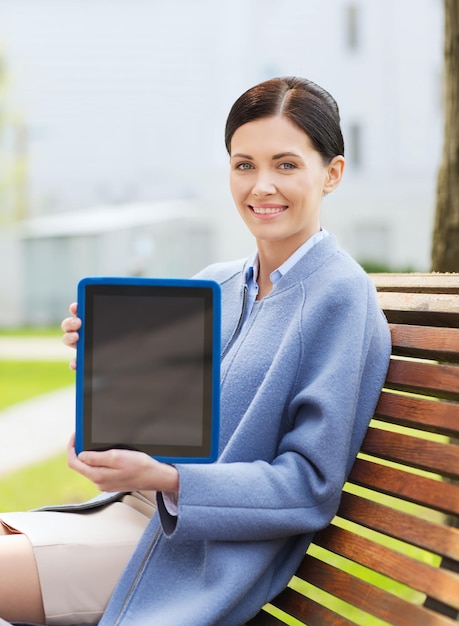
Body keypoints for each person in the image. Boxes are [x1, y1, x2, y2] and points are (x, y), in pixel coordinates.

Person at [0, 76, 391, 626]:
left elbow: (308, 487)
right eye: (243, 164)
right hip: (136, 518)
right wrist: (106, 368)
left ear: (332, 173)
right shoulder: (219, 284)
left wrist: (165, 480)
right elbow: (170, 417)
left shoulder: (341, 298)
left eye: (285, 165)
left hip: (196, 556)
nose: (261, 187)